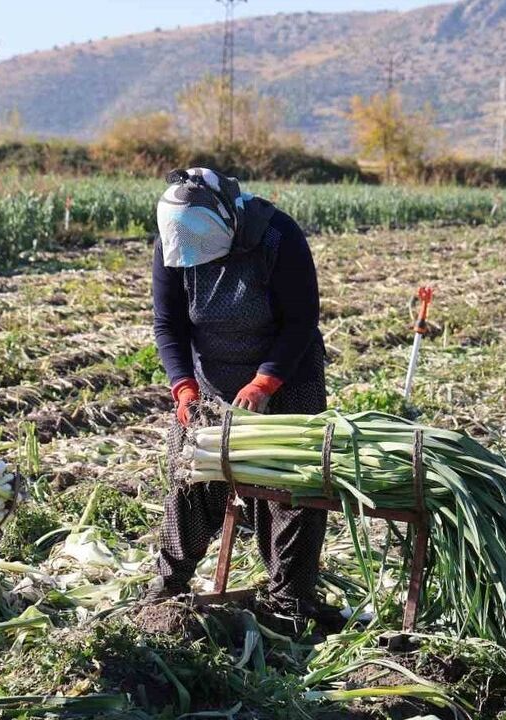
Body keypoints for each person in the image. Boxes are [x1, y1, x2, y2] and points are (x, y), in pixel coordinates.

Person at [147, 167, 338, 625]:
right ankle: (167, 584)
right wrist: (183, 386)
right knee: (191, 477)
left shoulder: (276, 236)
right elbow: (168, 325)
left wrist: (265, 381)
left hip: (287, 378)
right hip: (210, 384)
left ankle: (290, 602)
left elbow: (300, 321)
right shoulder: (173, 242)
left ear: (228, 219)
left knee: (290, 486)